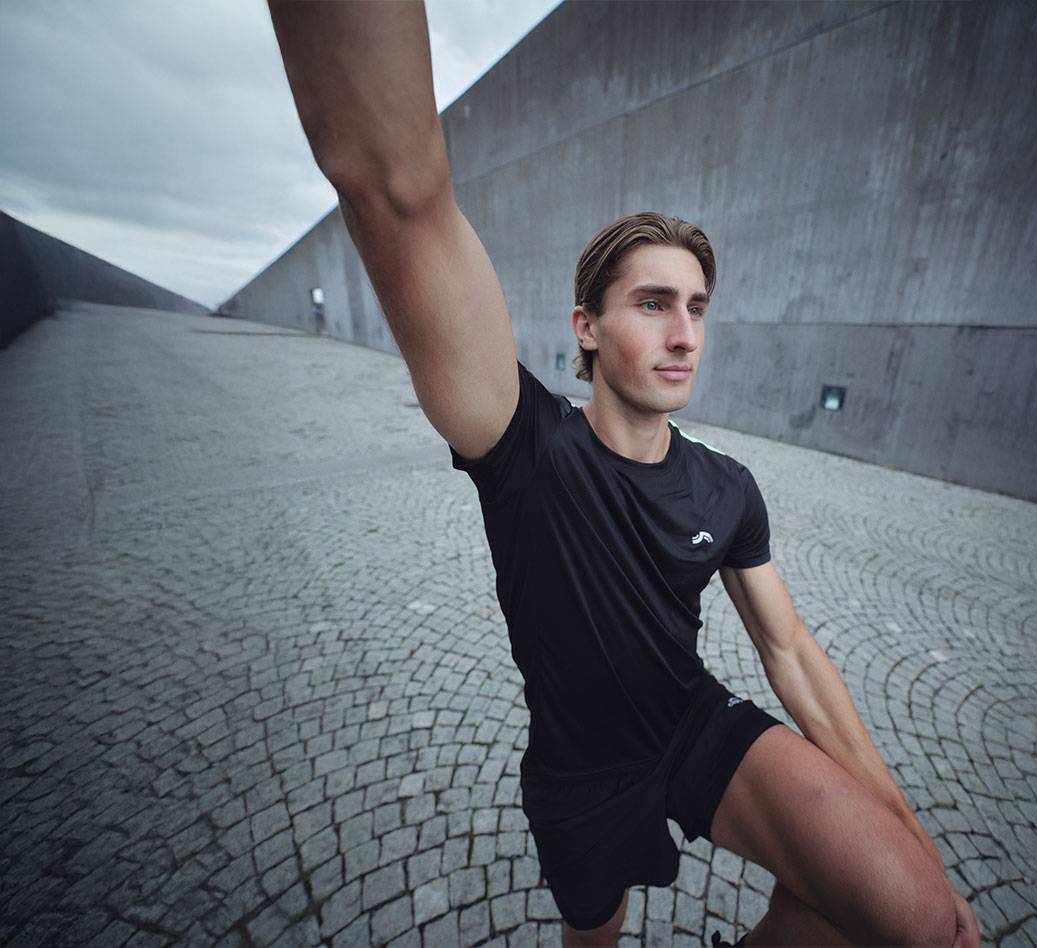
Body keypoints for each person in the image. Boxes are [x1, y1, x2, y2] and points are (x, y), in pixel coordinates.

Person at [267, 4, 981, 946]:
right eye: (652, 303)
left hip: (693, 729)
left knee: (922, 920)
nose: (685, 333)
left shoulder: (727, 487)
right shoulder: (526, 448)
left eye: (697, 307)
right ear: (588, 328)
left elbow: (792, 652)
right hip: (579, 777)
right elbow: (396, 189)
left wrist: (917, 843)